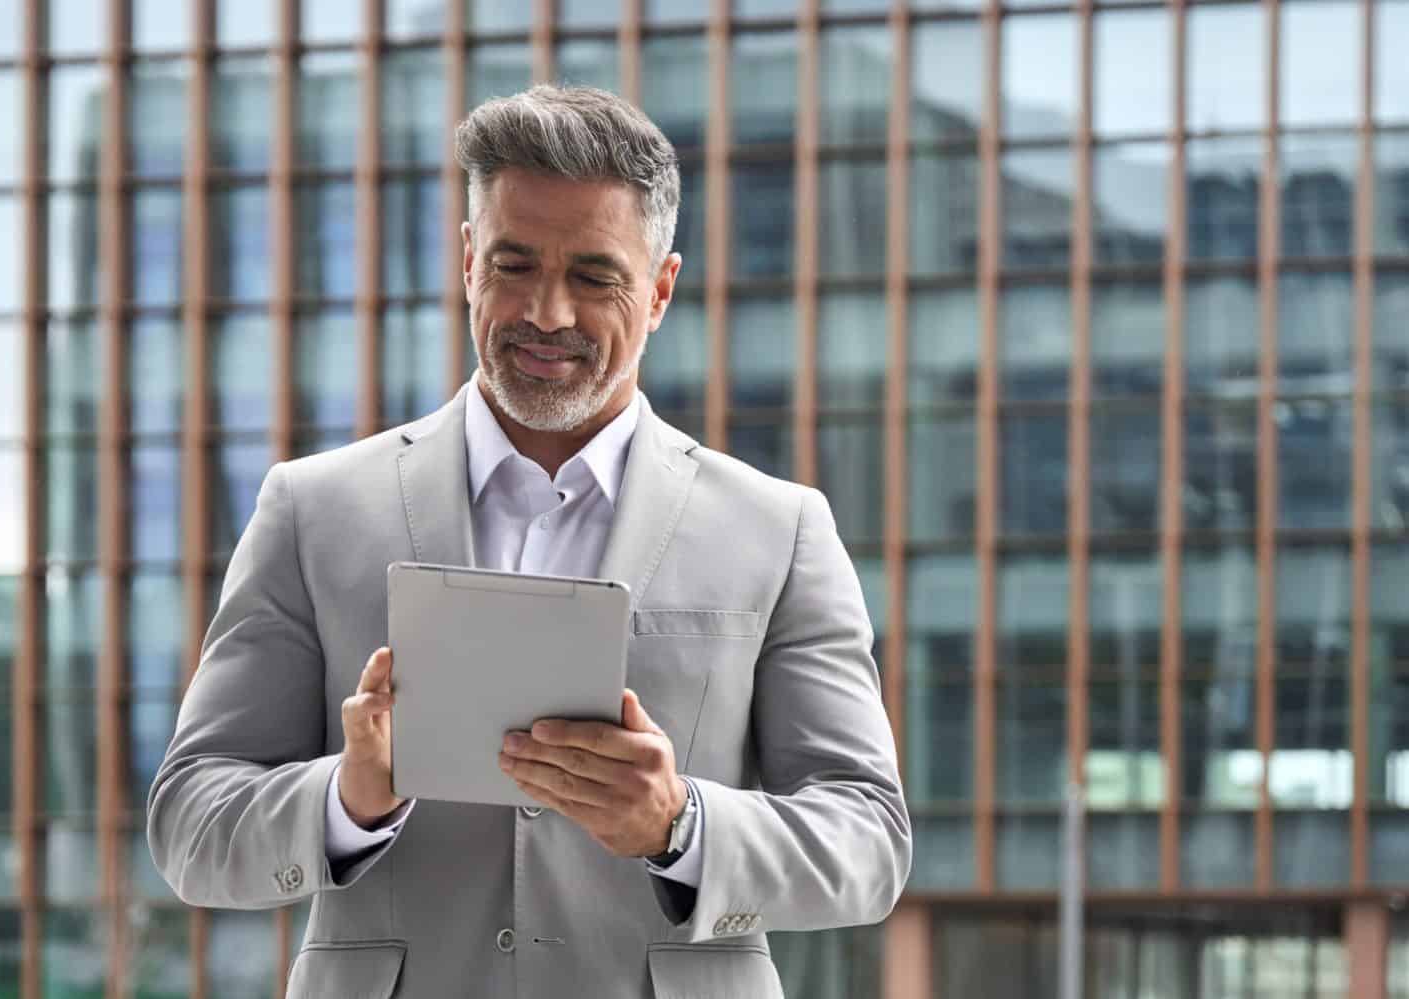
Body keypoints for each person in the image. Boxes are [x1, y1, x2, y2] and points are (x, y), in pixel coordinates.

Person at [147, 85, 911, 998]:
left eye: (595, 277)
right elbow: (191, 824)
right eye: (515, 265)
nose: (548, 313)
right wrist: (346, 799)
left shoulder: (778, 529)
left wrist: (680, 823)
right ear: (469, 260)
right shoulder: (313, 510)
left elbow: (868, 843)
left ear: (661, 288)